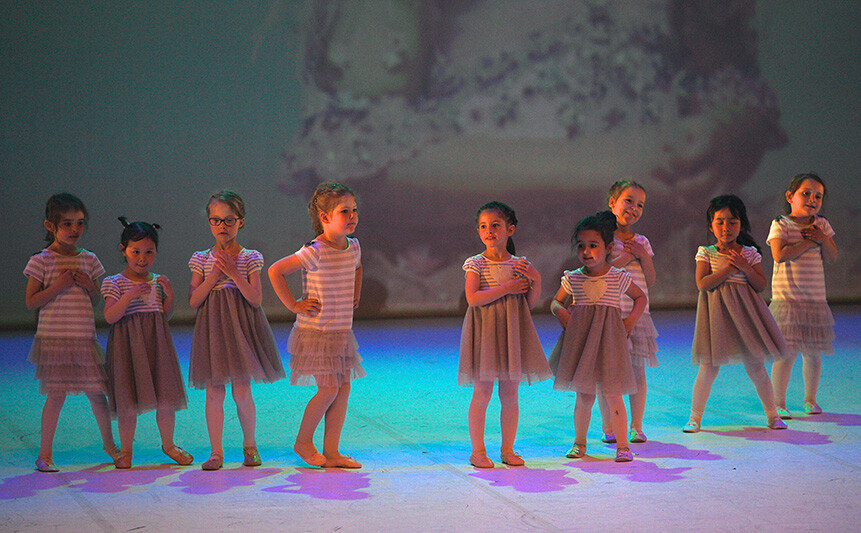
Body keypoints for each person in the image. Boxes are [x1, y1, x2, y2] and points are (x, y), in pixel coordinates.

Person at [268, 182, 365, 469]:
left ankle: (332, 452)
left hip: (340, 332)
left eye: (354, 210)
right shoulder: (315, 250)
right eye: (344, 211)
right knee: (328, 390)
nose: (352, 216)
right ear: (324, 217)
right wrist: (293, 305)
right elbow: (276, 271)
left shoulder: (353, 246)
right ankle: (303, 441)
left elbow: (357, 267)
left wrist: (356, 291)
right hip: (317, 333)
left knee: (342, 389)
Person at [188, 191, 284, 470]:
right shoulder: (201, 258)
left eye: (229, 220)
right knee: (214, 392)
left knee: (242, 391)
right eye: (216, 220)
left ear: (241, 221)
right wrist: (215, 276)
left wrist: (232, 273)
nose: (222, 226)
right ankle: (216, 452)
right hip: (213, 329)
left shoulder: (249, 257)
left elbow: (255, 299)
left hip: (240, 327)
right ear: (209, 222)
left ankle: (250, 446)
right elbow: (194, 300)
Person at [24, 193, 118, 472]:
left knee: (97, 394)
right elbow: (31, 301)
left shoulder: (89, 259)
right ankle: (44, 454)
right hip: (55, 340)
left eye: (79, 223)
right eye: (67, 223)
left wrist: (89, 286)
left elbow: (95, 300)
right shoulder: (41, 260)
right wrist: (58, 286)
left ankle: (111, 446)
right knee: (56, 395)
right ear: (50, 225)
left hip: (83, 338)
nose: (75, 229)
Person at [684, 194, 790, 433]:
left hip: (746, 317)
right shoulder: (706, 252)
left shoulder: (749, 253)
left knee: (756, 367)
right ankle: (695, 418)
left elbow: (760, 284)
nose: (726, 227)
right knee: (708, 367)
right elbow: (702, 284)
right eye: (720, 222)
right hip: (716, 317)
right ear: (711, 225)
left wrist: (744, 267)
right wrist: (729, 269)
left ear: (741, 224)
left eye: (732, 222)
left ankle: (772, 415)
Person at [458, 201, 550, 468]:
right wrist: (507, 288)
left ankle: (508, 450)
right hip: (485, 333)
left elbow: (528, 303)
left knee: (510, 393)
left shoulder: (520, 264)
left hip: (512, 332)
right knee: (482, 391)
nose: (489, 231)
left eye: (495, 225)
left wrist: (536, 279)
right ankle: (478, 451)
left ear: (510, 229)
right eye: (483, 226)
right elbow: (473, 298)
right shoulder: (476, 264)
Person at [549, 211, 646, 463]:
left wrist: (630, 321)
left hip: (609, 343)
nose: (586, 251)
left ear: (608, 248)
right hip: (582, 344)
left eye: (593, 245)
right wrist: (561, 312)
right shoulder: (573, 278)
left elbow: (640, 297)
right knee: (584, 396)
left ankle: (623, 446)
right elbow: (556, 301)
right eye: (581, 246)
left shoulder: (617, 277)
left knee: (613, 394)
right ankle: (579, 442)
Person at [102, 217, 191, 469]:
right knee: (128, 400)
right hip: (128, 348)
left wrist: (169, 295)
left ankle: (169, 445)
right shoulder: (114, 282)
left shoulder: (157, 281)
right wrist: (129, 295)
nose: (142, 258)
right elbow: (110, 316)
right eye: (136, 252)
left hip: (157, 346)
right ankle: (126, 450)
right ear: (124, 250)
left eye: (149, 252)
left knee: (166, 399)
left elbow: (165, 315)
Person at [767, 173, 838, 418]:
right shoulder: (781, 223)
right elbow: (779, 254)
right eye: (806, 193)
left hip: (815, 301)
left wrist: (822, 239)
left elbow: (832, 256)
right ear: (790, 196)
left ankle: (810, 399)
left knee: (813, 355)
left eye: (818, 196)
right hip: (788, 301)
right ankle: (778, 402)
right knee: (786, 354)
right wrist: (809, 243)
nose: (812, 199)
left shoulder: (821, 225)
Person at [597, 180, 658, 445]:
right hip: (609, 313)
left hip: (637, 314)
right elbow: (602, 270)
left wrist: (643, 255)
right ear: (612, 203)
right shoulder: (602, 238)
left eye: (640, 205)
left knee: (637, 372)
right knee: (607, 374)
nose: (634, 208)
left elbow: (650, 280)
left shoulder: (641, 242)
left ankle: (636, 426)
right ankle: (608, 426)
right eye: (628, 201)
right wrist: (628, 257)